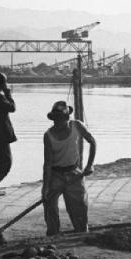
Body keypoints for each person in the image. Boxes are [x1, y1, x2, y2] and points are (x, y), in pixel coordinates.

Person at [42, 101, 96, 236]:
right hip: (55, 174)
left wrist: (90, 165)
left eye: (61, 119)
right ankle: (53, 235)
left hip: (74, 173)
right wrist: (45, 187)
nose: (58, 122)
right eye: (55, 119)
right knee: (49, 205)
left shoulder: (77, 125)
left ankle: (81, 233)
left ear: (67, 118)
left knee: (79, 208)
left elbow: (92, 141)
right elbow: (47, 163)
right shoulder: (48, 135)